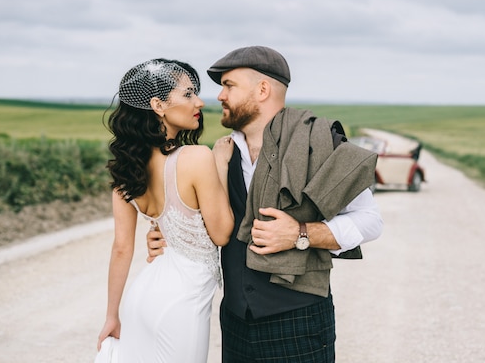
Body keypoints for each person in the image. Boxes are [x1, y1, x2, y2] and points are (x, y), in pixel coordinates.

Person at [147, 46, 383, 362]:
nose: (219, 96)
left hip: (299, 321)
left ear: (262, 89)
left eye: (229, 85)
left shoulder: (321, 143)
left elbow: (370, 220)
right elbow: (206, 223)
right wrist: (168, 237)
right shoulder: (218, 155)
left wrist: (302, 233)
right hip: (234, 322)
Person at [96, 58, 234, 363]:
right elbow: (222, 232)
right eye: (187, 94)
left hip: (140, 298)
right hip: (181, 303)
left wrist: (111, 315)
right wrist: (221, 165)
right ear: (158, 105)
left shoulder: (128, 172)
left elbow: (121, 248)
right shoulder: (198, 157)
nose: (199, 101)